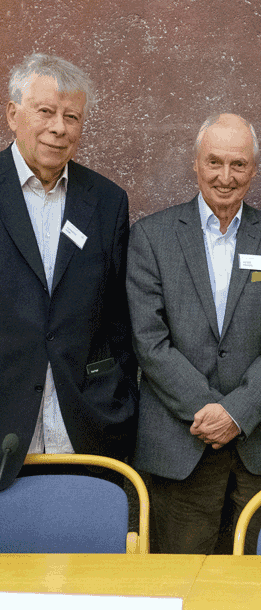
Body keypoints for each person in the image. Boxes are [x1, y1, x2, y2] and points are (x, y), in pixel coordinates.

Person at [127, 113, 261, 554]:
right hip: (180, 441)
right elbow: (149, 341)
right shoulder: (151, 237)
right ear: (196, 164)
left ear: (254, 169)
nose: (225, 177)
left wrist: (236, 413)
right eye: (214, 162)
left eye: (238, 164)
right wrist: (207, 410)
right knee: (182, 578)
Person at [0, 53, 137, 489]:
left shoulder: (108, 201)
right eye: (46, 111)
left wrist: (120, 402)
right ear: (12, 115)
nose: (59, 127)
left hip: (86, 426)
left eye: (72, 116)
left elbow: (118, 320)